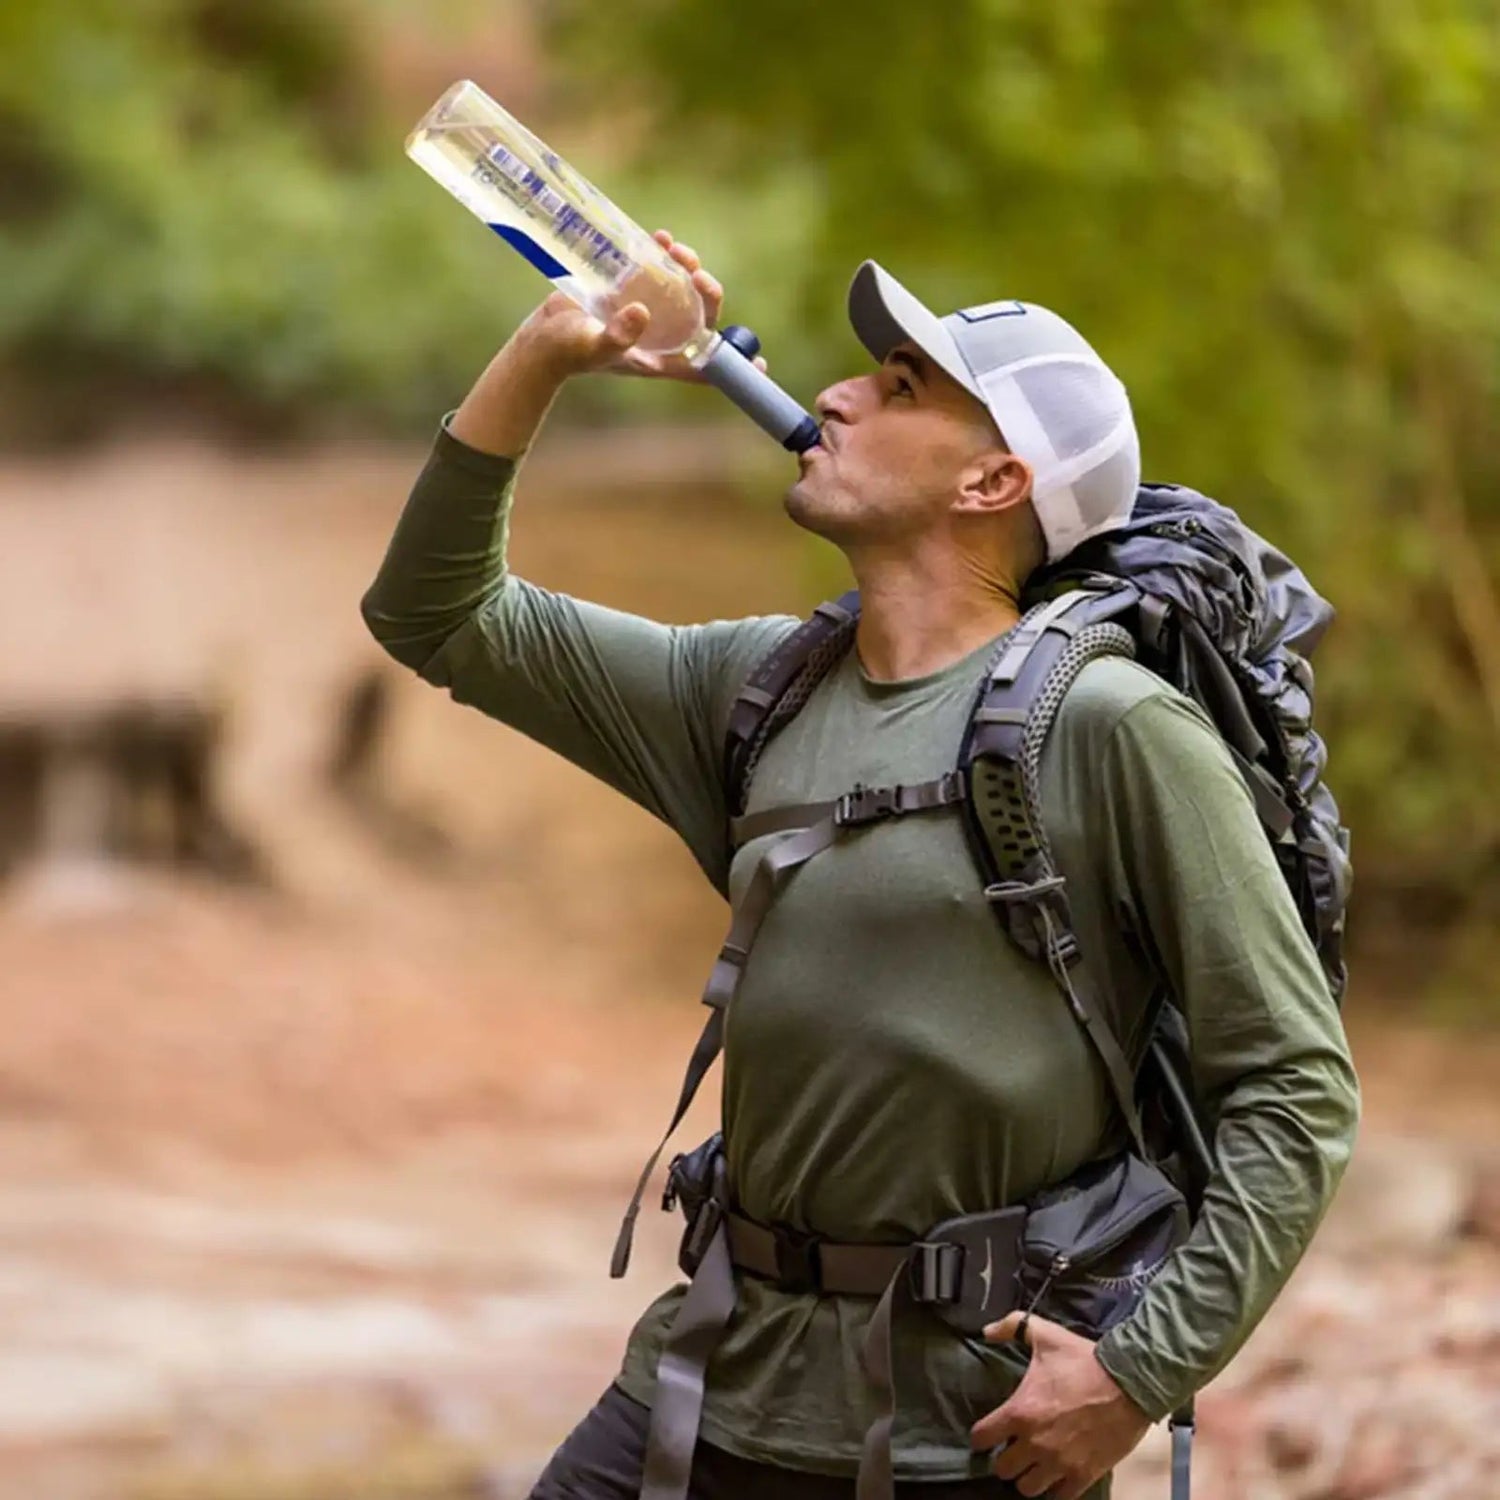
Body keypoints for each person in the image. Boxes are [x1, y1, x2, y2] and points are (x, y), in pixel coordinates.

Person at [361, 231, 1360, 1500]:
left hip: (970, 1439)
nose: (834, 392)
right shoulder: (757, 688)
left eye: (900, 389)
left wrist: (1135, 1376)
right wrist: (547, 355)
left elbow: (1295, 1085)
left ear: (994, 481)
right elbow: (436, 612)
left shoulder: (1116, 730)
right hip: (705, 1386)